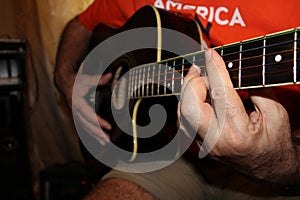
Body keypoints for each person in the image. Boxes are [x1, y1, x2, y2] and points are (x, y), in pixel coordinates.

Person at [54, 0, 300, 199]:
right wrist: (65, 78)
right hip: (165, 155)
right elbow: (82, 24)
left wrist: (279, 164)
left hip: (281, 164)